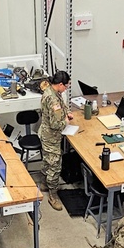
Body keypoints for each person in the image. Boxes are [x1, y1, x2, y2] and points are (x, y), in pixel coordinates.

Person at [38, 70, 73, 211]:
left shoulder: (50, 90)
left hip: (47, 134)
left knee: (48, 160)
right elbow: (55, 124)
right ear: (60, 84)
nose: (67, 88)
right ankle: (53, 195)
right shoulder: (52, 99)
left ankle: (45, 183)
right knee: (55, 165)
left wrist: (65, 113)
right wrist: (66, 122)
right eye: (66, 86)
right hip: (51, 136)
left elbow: (60, 107)